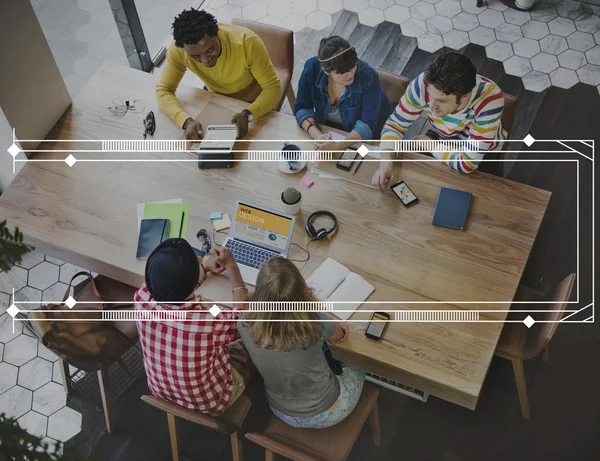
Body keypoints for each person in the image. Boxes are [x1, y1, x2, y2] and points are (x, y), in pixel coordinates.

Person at [237, 258, 365, 429]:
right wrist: (332, 323)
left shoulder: (244, 323)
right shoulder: (314, 322)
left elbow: (238, 306)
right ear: (301, 291)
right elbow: (339, 335)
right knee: (360, 363)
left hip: (279, 409)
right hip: (327, 411)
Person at [134, 238, 252, 416]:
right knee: (250, 340)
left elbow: (171, 288)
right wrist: (232, 267)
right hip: (211, 402)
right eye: (196, 260)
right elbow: (242, 317)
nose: (200, 259)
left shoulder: (141, 297)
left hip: (160, 390)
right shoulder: (208, 320)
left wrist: (202, 270)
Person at [373, 52, 506, 191]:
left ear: (465, 96)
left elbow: (467, 164)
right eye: (431, 96)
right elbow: (395, 125)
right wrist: (385, 164)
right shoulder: (423, 84)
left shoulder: (490, 99)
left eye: (441, 101)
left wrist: (428, 144)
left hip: (483, 152)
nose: (431, 105)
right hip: (442, 136)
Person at [156, 8, 281, 140]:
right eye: (195, 56)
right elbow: (164, 90)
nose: (205, 60)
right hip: (215, 99)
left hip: (253, 101)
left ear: (217, 33)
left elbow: (273, 89)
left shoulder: (246, 42)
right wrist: (186, 121)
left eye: (210, 50)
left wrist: (249, 113)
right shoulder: (178, 50)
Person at [295, 36, 393, 152]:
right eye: (342, 72)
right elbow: (302, 107)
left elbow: (367, 125)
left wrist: (337, 147)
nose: (350, 75)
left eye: (352, 67)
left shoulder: (368, 76)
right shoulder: (311, 68)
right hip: (327, 129)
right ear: (326, 71)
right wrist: (318, 137)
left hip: (365, 136)